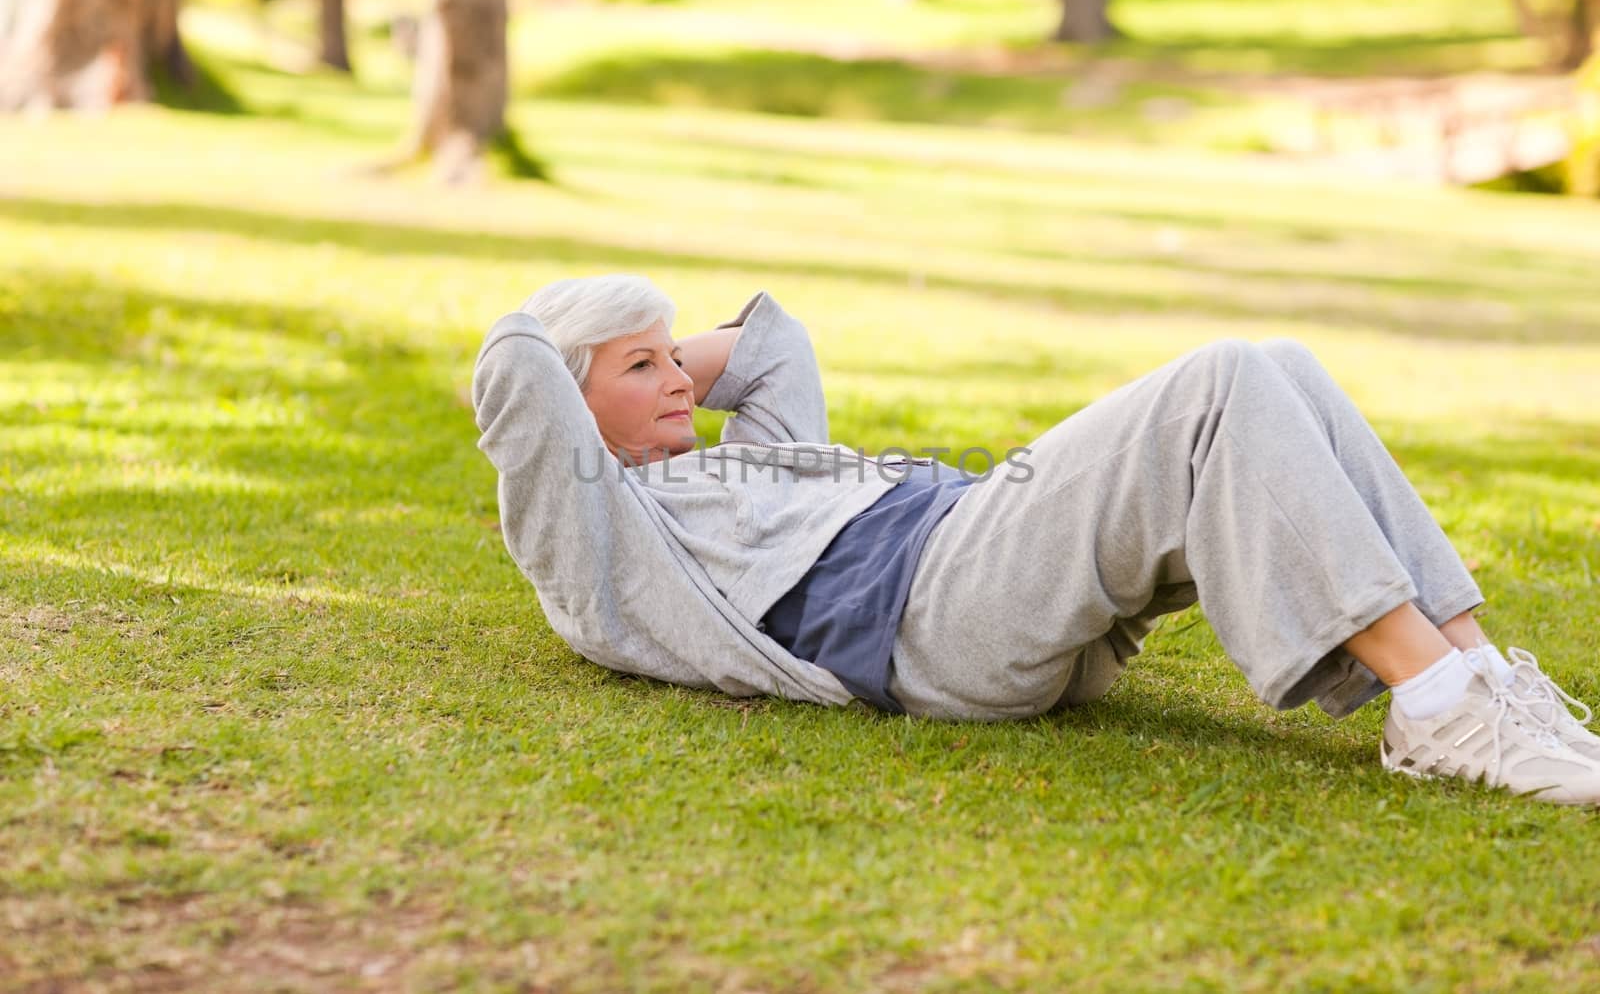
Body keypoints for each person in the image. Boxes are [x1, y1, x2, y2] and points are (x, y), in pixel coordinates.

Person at [472, 274, 1600, 806]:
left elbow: (772, 347)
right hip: (933, 614)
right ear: (569, 414)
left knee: (1279, 363)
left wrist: (642, 356)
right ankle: (1441, 708)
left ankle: (1475, 680)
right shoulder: (612, 537)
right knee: (1214, 383)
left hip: (969, 551)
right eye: (644, 368)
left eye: (674, 359)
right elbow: (518, 372)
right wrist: (585, 372)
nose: (679, 378)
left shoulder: (736, 457)